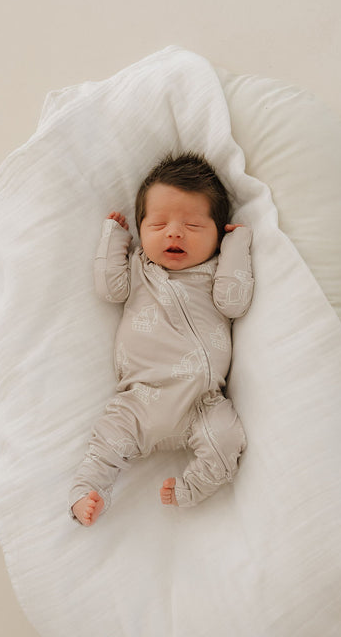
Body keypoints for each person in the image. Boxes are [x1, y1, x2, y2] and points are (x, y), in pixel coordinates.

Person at [69, 152, 254, 526]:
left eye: (192, 225)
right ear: (141, 230)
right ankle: (85, 492)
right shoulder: (140, 268)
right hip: (139, 398)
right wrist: (114, 238)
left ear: (218, 235)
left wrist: (237, 247)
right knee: (106, 441)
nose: (174, 232)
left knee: (228, 439)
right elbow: (109, 288)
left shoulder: (214, 272)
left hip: (202, 403)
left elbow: (234, 302)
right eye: (158, 224)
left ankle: (192, 488)